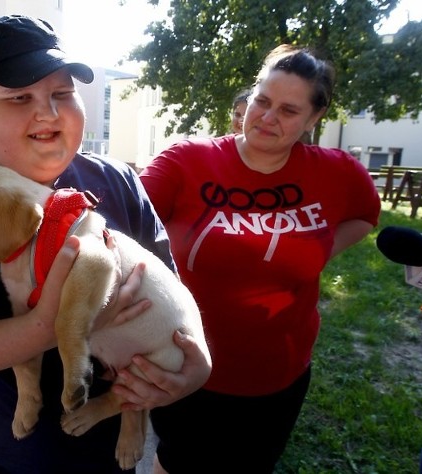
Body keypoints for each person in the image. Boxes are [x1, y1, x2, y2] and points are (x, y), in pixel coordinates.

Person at [0, 15, 211, 474]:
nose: (47, 112)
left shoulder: (119, 181)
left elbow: (175, 305)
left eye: (62, 94)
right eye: (19, 97)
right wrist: (50, 325)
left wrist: (194, 371)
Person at [138, 44, 382, 473]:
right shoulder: (188, 161)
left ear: (313, 118)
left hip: (279, 374)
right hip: (185, 363)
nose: (268, 117)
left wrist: (318, 249)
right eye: (262, 101)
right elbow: (122, 219)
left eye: (289, 110)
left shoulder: (337, 172)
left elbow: (365, 216)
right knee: (178, 462)